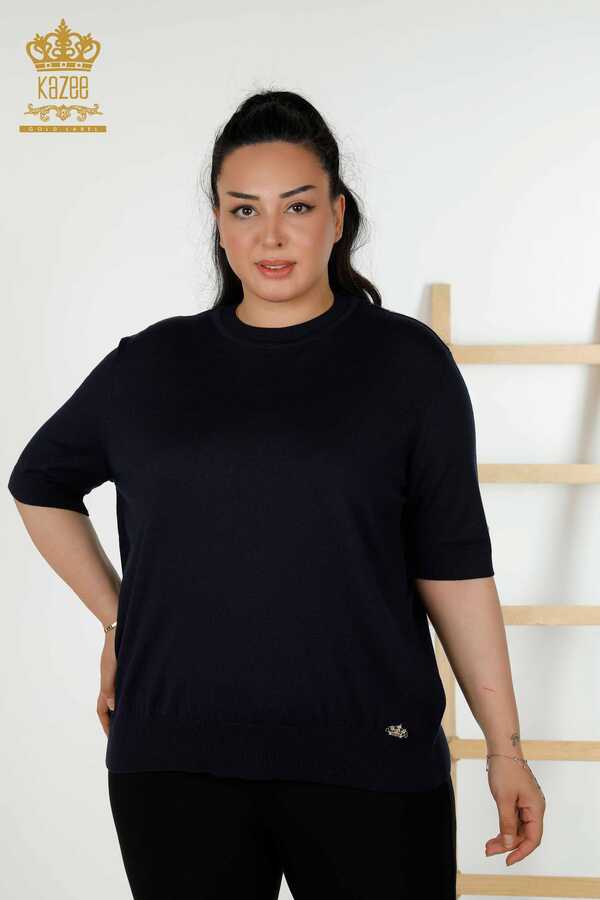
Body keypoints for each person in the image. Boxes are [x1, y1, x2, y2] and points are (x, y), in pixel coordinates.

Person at [7, 89, 545, 899]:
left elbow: (455, 567)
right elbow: (38, 483)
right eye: (243, 209)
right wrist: (119, 618)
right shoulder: (150, 367)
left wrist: (505, 746)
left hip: (372, 756)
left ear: (337, 214)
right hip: (175, 763)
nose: (270, 236)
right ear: (218, 223)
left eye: (296, 206)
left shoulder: (407, 365)